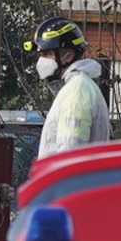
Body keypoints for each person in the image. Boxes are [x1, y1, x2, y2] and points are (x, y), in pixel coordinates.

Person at [25, 16, 111, 160]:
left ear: (68, 56)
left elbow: (69, 154)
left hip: (68, 182)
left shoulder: (77, 91)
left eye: (47, 54)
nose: (41, 60)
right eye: (40, 55)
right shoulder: (76, 87)